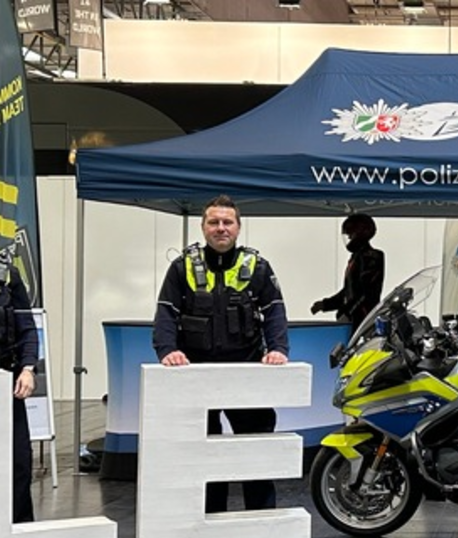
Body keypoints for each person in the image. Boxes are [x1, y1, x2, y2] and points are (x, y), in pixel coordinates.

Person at [153, 195, 290, 513]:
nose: (221, 228)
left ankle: (261, 518)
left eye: (227, 222)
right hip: (197, 373)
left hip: (246, 370)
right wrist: (167, 350)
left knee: (255, 449)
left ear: (239, 228)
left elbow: (274, 312)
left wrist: (278, 350)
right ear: (203, 227)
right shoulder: (182, 266)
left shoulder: (257, 266)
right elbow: (165, 313)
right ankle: (208, 518)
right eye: (213, 222)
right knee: (202, 453)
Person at [0, 203, 38, 523]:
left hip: (5, 384)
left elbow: (28, 327)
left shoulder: (5, 271)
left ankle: (20, 534)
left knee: (18, 462)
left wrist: (28, 368)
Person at [310, 213, 385, 334]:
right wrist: (325, 304)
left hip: (362, 319)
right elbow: (348, 291)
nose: (349, 238)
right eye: (348, 235)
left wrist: (349, 313)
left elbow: (364, 293)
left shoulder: (372, 257)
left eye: (351, 234)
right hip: (353, 318)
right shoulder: (356, 258)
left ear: (362, 233)